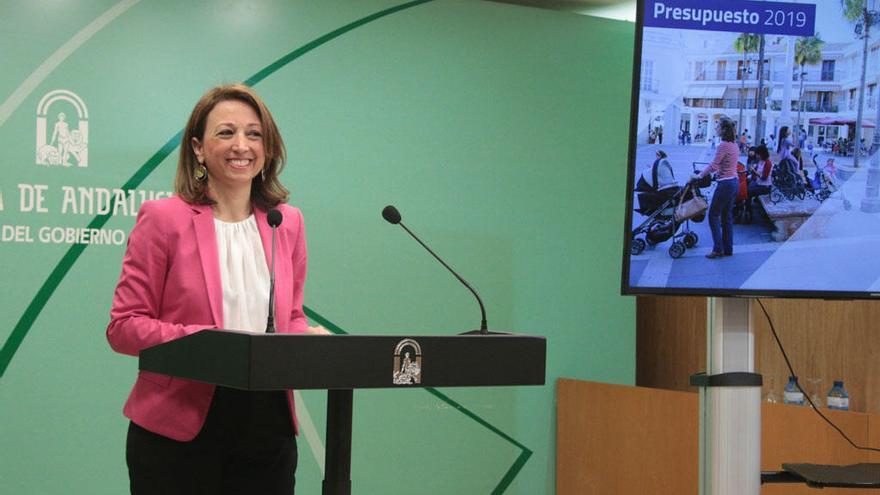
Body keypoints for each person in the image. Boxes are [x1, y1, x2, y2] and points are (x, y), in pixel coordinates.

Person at [107, 84, 328, 495]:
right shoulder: (164, 219)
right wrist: (206, 344)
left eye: (254, 133)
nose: (241, 145)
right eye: (225, 133)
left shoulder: (288, 222)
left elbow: (290, 317)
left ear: (269, 147)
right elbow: (124, 327)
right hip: (177, 429)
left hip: (268, 428)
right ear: (198, 148)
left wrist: (309, 342)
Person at [692, 117, 739, 258]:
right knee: (726, 217)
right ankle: (728, 249)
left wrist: (699, 176)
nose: (716, 128)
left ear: (724, 130)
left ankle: (718, 249)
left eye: (717, 126)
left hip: (725, 184)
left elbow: (714, 165)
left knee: (713, 215)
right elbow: (727, 165)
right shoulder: (734, 145)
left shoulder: (723, 145)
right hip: (734, 182)